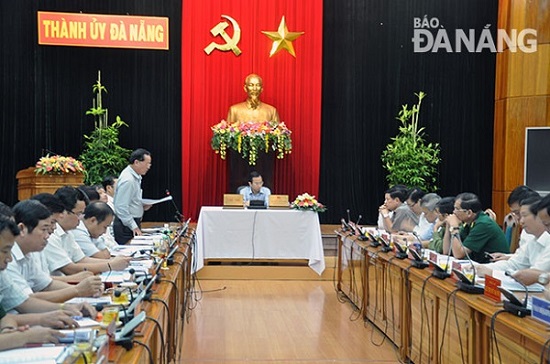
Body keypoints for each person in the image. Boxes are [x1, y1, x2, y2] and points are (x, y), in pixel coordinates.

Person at [6, 200, 103, 303]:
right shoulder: (8, 258)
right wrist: (77, 291)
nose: (47, 235)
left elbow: (47, 285)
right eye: (44, 229)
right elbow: (26, 301)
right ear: (22, 229)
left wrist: (85, 290)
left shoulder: (29, 254)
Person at [43, 187, 130, 275]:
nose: (81, 218)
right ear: (62, 212)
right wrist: (110, 265)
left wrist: (114, 262)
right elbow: (69, 268)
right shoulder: (51, 235)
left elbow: (82, 260)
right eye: (78, 213)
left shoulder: (68, 233)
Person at [476, 196, 550, 284]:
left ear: (539, 217)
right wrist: (479, 267)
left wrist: (493, 273)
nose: (521, 221)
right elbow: (514, 264)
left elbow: (532, 276)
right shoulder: (532, 239)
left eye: (524, 216)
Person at [443, 192, 509, 263]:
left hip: (495, 266)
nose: (454, 212)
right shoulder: (469, 222)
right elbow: (446, 251)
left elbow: (459, 254)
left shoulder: (483, 224)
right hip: (480, 264)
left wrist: (454, 227)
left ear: (469, 213)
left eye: (457, 209)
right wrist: (448, 226)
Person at [113, 148, 152, 244]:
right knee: (129, 254)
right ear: (136, 162)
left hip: (130, 222)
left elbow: (131, 200)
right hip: (125, 225)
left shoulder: (136, 177)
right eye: (147, 163)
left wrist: (141, 205)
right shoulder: (128, 180)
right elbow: (121, 206)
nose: (149, 167)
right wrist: (133, 225)